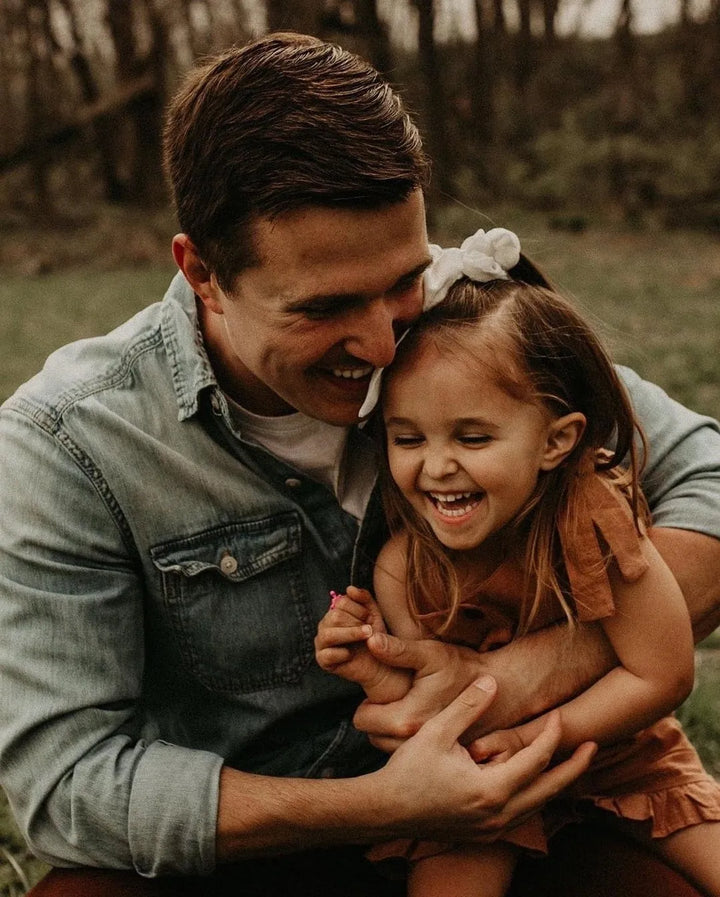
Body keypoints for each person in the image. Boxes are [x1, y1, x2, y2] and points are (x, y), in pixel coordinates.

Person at [0, 32, 718, 897]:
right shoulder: (68, 444)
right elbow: (69, 784)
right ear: (204, 272)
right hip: (252, 843)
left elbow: (705, 477)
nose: (384, 342)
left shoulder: (465, 329)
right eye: (326, 307)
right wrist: (380, 803)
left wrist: (514, 676)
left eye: (401, 281)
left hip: (514, 804)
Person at [315, 227, 720, 896]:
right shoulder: (400, 566)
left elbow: (664, 669)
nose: (438, 465)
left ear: (556, 441)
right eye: (407, 437)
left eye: (473, 437)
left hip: (618, 752)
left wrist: (549, 729)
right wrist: (367, 663)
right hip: (484, 776)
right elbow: (428, 711)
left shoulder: (595, 523)